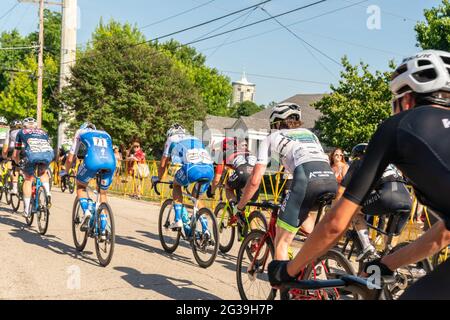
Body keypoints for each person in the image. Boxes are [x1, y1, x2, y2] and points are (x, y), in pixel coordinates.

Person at [268, 50, 450, 299]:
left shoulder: (398, 127)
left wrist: (288, 271)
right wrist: (386, 264)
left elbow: (336, 224)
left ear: (406, 99)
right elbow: (444, 232)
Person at [236, 102, 338, 260]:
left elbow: (255, 180)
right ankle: (314, 266)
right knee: (308, 226)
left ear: (276, 122)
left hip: (306, 180)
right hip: (329, 179)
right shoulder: (310, 134)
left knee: (281, 242)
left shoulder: (271, 138)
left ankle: (284, 284)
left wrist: (241, 206)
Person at [339, 143, 412, 261]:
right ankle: (391, 262)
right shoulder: (389, 164)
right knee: (390, 239)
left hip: (387, 196)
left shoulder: (361, 162)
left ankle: (367, 247)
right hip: (407, 200)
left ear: (358, 156)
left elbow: (342, 189)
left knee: (355, 211)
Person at [152, 124, 214, 234]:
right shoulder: (195, 138)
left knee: (176, 185)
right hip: (209, 169)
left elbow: (163, 164)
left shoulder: (171, 139)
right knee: (196, 199)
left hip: (192, 168)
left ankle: (177, 220)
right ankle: (206, 230)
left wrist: (160, 178)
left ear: (169, 134)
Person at [62, 122, 116, 240]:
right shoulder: (106, 134)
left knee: (81, 187)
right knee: (103, 194)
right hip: (110, 163)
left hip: (93, 161)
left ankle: (86, 210)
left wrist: (65, 171)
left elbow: (71, 158)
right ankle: (103, 229)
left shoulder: (80, 133)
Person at [13, 118, 54, 216]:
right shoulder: (43, 132)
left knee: (28, 179)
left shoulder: (21, 132)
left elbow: (16, 153)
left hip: (32, 155)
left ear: (24, 125)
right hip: (48, 154)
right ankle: (47, 192)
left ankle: (27, 210)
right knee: (43, 172)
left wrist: (18, 163)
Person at [2, 120, 22, 195]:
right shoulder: (25, 131)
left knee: (15, 167)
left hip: (16, 149)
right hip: (28, 150)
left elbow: (5, 148)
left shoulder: (10, 131)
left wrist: (5, 157)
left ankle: (15, 188)